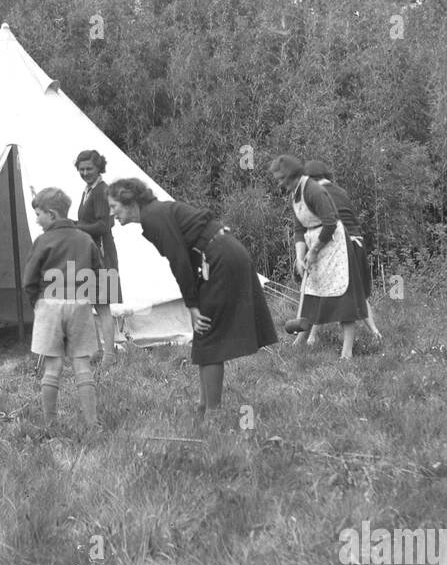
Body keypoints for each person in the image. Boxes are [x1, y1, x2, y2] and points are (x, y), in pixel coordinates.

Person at [106, 178, 277, 422]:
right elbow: (185, 256)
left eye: (114, 206)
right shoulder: (154, 214)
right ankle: (203, 405)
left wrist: (193, 305)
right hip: (221, 255)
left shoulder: (154, 217)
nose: (112, 213)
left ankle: (212, 414)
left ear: (129, 201)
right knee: (204, 337)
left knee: (208, 335)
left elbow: (179, 262)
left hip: (220, 258)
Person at [268, 155, 370, 360]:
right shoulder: (294, 195)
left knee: (343, 296)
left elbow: (331, 222)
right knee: (312, 293)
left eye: (281, 179)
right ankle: (302, 339)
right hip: (314, 242)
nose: (279, 183)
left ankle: (347, 352)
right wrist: (299, 256)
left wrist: (314, 250)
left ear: (291, 176)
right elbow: (299, 228)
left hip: (333, 245)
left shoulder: (313, 190)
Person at [22, 188, 102, 429]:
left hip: (50, 304)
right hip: (79, 303)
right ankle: (92, 424)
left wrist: (36, 303)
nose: (36, 220)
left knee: (53, 366)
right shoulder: (85, 239)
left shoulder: (43, 241)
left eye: (38, 214)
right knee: (82, 365)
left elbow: (29, 280)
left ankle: (50, 424)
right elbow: (100, 273)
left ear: (52, 214)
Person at [306, 160, 383, 342]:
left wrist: (312, 252)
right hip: (359, 244)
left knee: (329, 291)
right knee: (356, 294)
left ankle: (312, 338)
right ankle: (375, 333)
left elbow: (324, 227)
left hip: (342, 249)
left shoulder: (316, 195)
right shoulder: (341, 191)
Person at [73, 150, 122, 362]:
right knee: (87, 303)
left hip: (101, 254)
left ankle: (109, 356)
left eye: (89, 169)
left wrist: (76, 227)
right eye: (81, 169)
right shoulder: (88, 190)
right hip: (88, 253)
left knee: (102, 306)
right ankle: (94, 351)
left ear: (98, 167)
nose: (85, 172)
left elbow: (104, 225)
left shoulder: (102, 191)